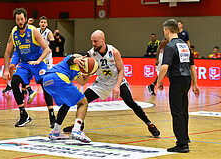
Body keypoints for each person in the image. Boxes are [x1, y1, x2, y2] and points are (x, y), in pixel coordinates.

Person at [63, 30, 161, 138]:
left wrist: (117, 86)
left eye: (95, 41)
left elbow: (121, 70)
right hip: (101, 83)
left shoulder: (114, 52)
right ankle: (79, 126)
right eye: (92, 41)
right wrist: (74, 59)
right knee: (83, 100)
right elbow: (81, 55)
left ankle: (149, 124)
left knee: (130, 102)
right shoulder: (92, 52)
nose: (93, 44)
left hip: (117, 81)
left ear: (103, 40)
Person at [2, 8, 55, 128]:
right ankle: (23, 114)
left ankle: (52, 115)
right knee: (14, 82)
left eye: (22, 19)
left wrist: (38, 61)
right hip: (25, 63)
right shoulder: (13, 33)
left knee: (45, 83)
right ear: (15, 20)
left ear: (26, 19)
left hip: (38, 62)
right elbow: (7, 52)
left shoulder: (34, 31)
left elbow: (47, 48)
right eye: (18, 19)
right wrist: (6, 70)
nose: (20, 22)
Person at [157, 19, 200, 153]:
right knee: (183, 110)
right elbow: (192, 66)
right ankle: (185, 138)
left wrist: (158, 81)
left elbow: (164, 66)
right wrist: (195, 84)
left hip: (176, 80)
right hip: (186, 80)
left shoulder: (170, 46)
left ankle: (181, 144)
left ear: (167, 30)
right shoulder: (184, 45)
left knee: (176, 112)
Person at [44, 52, 92, 143]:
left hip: (47, 81)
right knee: (83, 102)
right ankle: (77, 130)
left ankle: (55, 132)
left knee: (67, 103)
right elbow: (71, 59)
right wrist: (76, 59)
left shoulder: (76, 70)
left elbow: (82, 82)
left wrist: (90, 72)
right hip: (58, 78)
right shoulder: (74, 58)